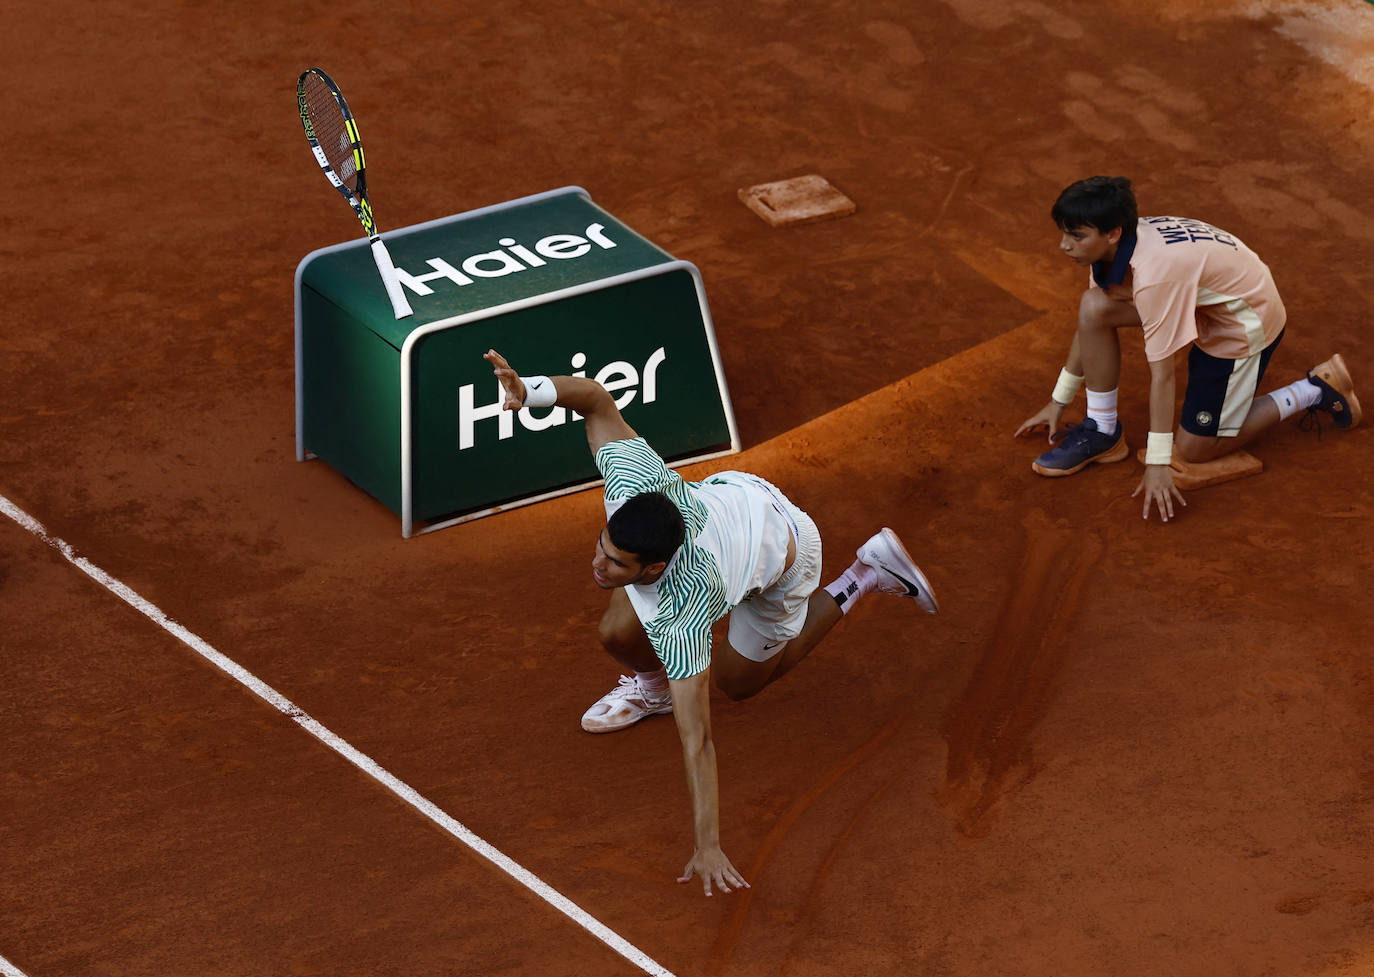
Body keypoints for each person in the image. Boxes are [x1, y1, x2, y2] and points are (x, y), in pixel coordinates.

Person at [482, 349, 939, 896]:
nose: (597, 564)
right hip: (731, 499)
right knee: (616, 632)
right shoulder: (632, 484)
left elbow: (697, 740)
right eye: (602, 547)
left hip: (784, 557)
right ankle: (649, 690)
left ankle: (863, 573)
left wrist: (707, 844)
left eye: (615, 564)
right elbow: (596, 398)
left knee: (738, 683)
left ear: (653, 568)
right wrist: (527, 390)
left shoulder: (684, 611)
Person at [1014, 175, 1361, 522]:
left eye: (1076, 236)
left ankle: (1313, 389)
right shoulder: (1113, 249)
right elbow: (1091, 322)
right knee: (1094, 305)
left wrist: (1159, 461)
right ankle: (1102, 430)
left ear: (1113, 233)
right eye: (1064, 233)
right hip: (1203, 302)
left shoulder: (1154, 275)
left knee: (1194, 450)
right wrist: (1060, 398)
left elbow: (1163, 375)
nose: (1064, 246)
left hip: (1241, 325)